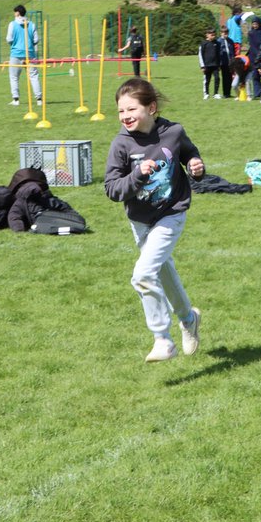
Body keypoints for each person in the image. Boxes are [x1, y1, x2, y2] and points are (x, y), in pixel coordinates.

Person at [103, 78, 204, 363]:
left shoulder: (173, 132)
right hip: (140, 220)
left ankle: (162, 338)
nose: (125, 116)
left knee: (143, 274)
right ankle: (188, 318)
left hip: (172, 212)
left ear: (152, 108)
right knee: (162, 270)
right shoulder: (121, 144)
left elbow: (189, 155)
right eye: (121, 111)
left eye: (131, 109)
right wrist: (138, 175)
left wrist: (196, 167)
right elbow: (112, 189)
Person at [7, 5, 42, 106]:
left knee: (14, 77)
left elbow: (9, 39)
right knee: (34, 76)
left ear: (18, 13)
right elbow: (36, 40)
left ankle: (16, 99)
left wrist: (15, 44)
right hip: (30, 53)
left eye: (15, 12)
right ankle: (39, 99)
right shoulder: (32, 24)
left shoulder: (12, 24)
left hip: (16, 54)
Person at [245, 17, 261, 103]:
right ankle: (257, 93)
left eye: (256, 24)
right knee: (255, 75)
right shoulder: (251, 33)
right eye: (253, 24)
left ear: (259, 23)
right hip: (253, 57)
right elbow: (251, 45)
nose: (254, 25)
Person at [197, 28, 222, 99]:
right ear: (207, 35)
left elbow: (218, 54)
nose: (213, 36)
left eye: (214, 35)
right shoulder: (203, 43)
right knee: (207, 80)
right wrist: (202, 66)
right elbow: (200, 55)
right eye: (212, 35)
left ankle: (216, 93)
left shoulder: (217, 43)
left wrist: (219, 64)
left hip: (215, 65)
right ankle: (206, 93)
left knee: (217, 78)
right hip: (207, 65)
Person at [217, 26, 234, 98]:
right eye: (223, 33)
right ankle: (225, 93)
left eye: (226, 33)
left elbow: (232, 52)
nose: (225, 34)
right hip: (223, 62)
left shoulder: (230, 41)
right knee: (225, 78)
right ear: (221, 33)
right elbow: (218, 53)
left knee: (230, 78)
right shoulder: (218, 41)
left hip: (230, 62)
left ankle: (228, 93)